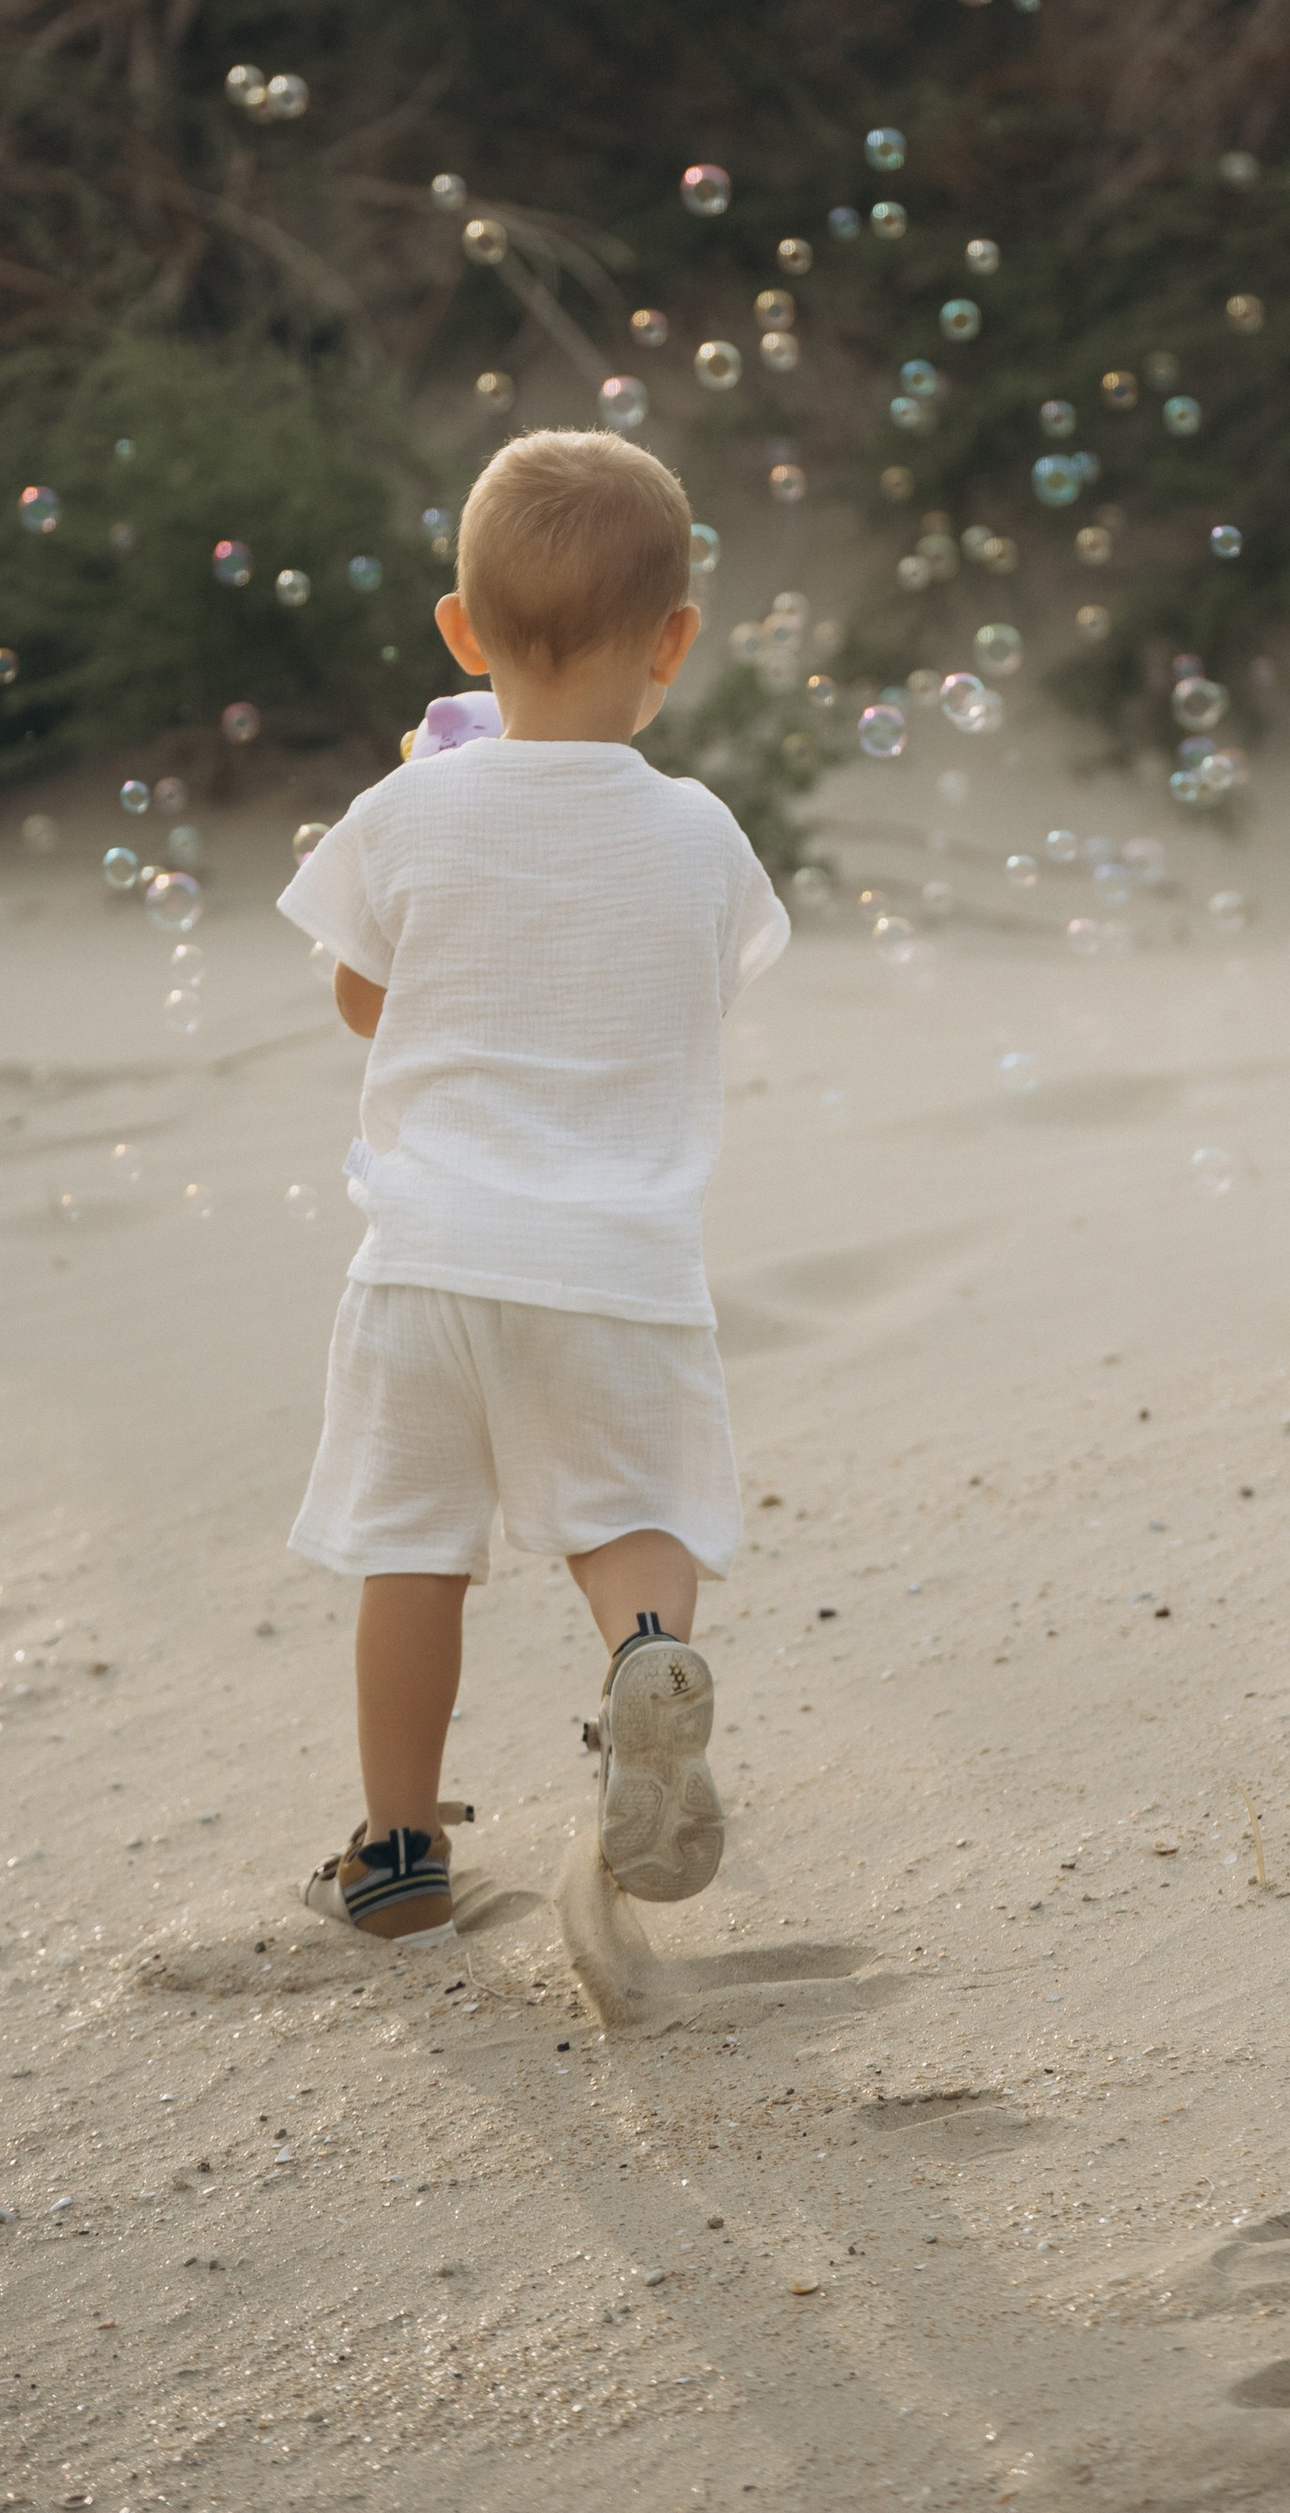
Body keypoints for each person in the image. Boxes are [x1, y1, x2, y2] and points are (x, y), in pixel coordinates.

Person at [277, 430, 788, 1946]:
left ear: (458, 633)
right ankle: (644, 1659)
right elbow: (695, 993)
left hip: (426, 1267)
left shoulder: (405, 808)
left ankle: (398, 1849)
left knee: (412, 1551)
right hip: (617, 1271)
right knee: (628, 1513)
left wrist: (435, 804)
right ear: (676, 644)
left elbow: (365, 1006)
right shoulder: (698, 833)